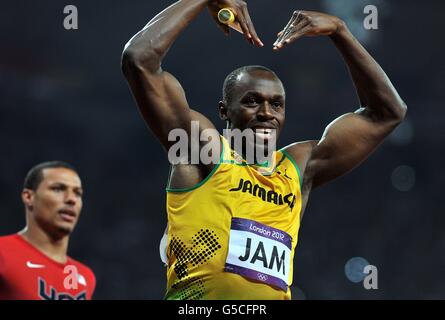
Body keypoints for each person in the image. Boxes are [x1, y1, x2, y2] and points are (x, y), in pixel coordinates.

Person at [121, 0, 407, 300]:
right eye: (251, 101)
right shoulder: (203, 149)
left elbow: (388, 113)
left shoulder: (298, 167)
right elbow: (138, 59)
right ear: (224, 111)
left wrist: (340, 31)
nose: (267, 112)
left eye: (277, 104)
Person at [0, 161, 96, 300]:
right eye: (58, 189)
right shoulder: (3, 253)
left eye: (77, 193)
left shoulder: (85, 277)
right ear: (29, 197)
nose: (71, 199)